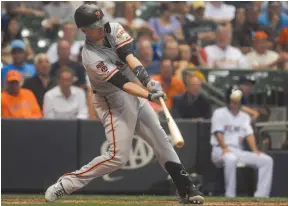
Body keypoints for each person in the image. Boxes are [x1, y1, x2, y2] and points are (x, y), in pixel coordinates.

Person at [44, 4, 204, 205]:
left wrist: (147, 81)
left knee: (161, 138)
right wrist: (149, 95)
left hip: (134, 93)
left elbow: (129, 57)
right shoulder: (90, 56)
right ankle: (67, 183)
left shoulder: (114, 28)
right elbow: (123, 83)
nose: (101, 27)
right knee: (118, 157)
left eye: (101, 22)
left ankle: (185, 188)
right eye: (95, 25)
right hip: (112, 101)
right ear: (83, 30)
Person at [210, 89, 273, 197]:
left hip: (237, 150)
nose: (235, 103)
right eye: (233, 101)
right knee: (230, 158)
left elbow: (249, 135)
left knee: (267, 160)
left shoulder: (244, 117)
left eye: (237, 101)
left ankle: (262, 196)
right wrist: (224, 148)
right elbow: (218, 132)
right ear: (228, 100)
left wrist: (255, 151)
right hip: (219, 149)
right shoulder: (219, 113)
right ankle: (230, 195)